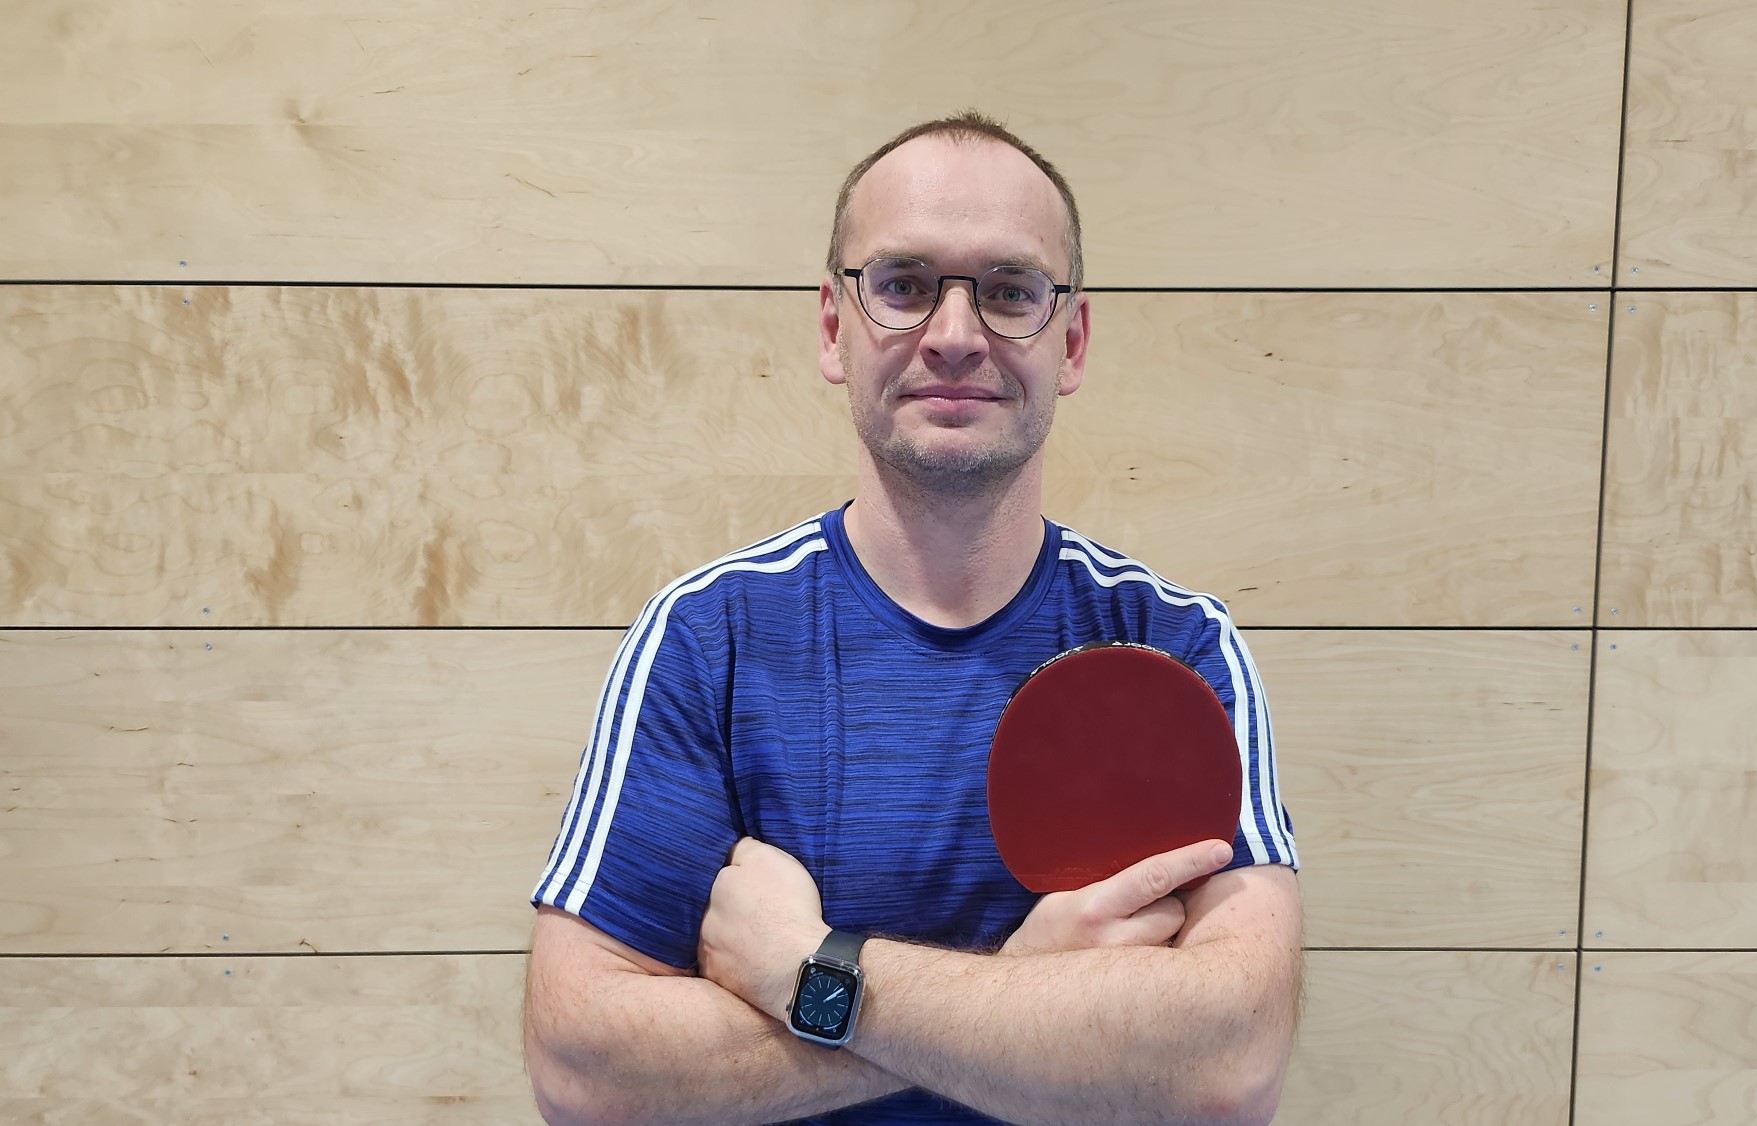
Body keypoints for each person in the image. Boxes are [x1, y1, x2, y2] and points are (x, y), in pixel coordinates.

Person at [523, 111, 1302, 1126]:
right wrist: (1025, 989)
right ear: (831, 327)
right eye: (902, 284)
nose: (955, 334)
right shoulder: (709, 639)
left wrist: (810, 972)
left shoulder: (1177, 644)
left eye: (1010, 291)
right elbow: (582, 1070)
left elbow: (1230, 1064)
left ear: (1069, 341)